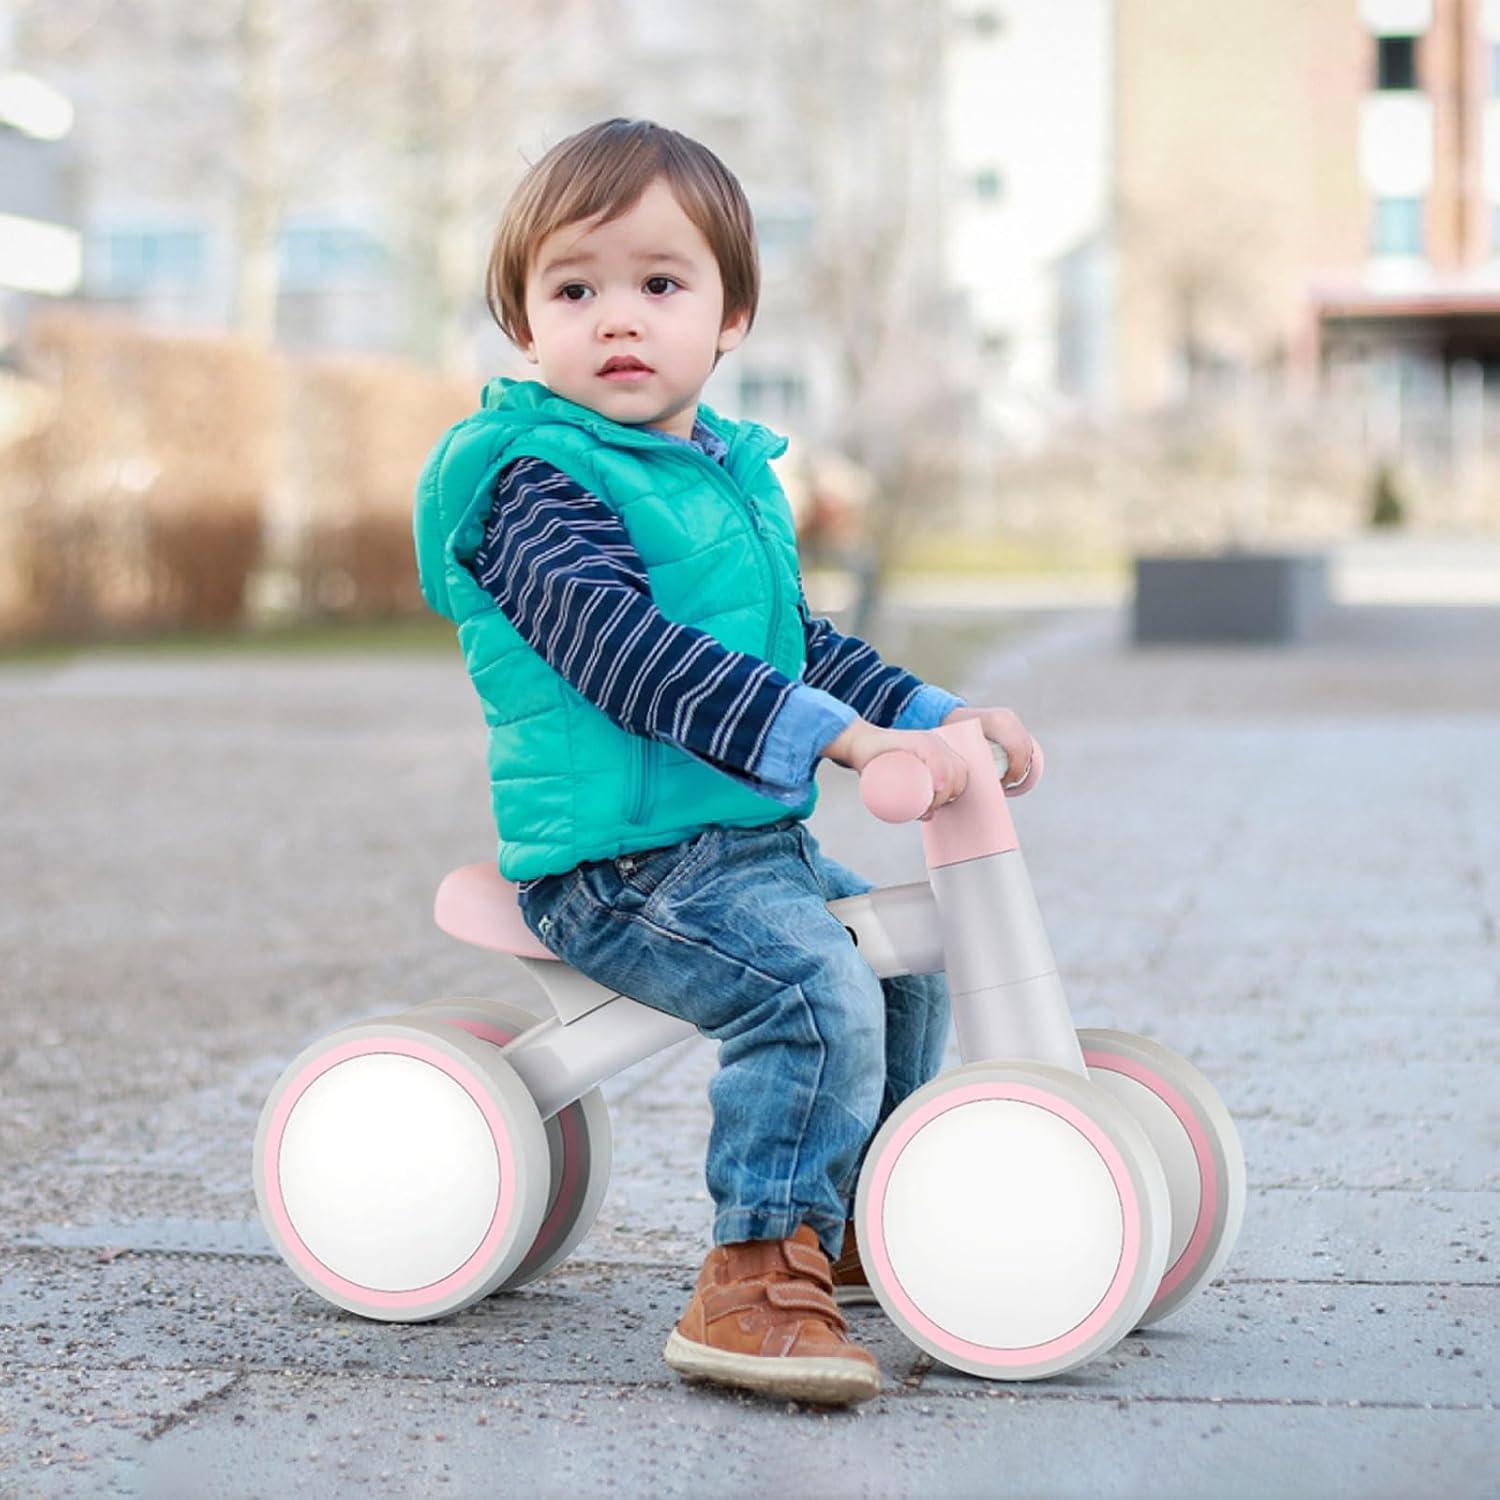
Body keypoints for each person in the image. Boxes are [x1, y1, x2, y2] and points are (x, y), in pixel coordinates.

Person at [413, 118, 1033, 1407]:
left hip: (732, 849)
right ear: (526, 328)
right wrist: (839, 743)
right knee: (813, 989)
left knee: (902, 969)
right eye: (573, 290)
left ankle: (849, 1228)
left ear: (731, 315)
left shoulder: (721, 478)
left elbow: (793, 644)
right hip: (622, 864)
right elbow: (630, 656)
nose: (617, 319)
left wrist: (930, 718)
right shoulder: (531, 485)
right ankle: (753, 1275)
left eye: (660, 282)